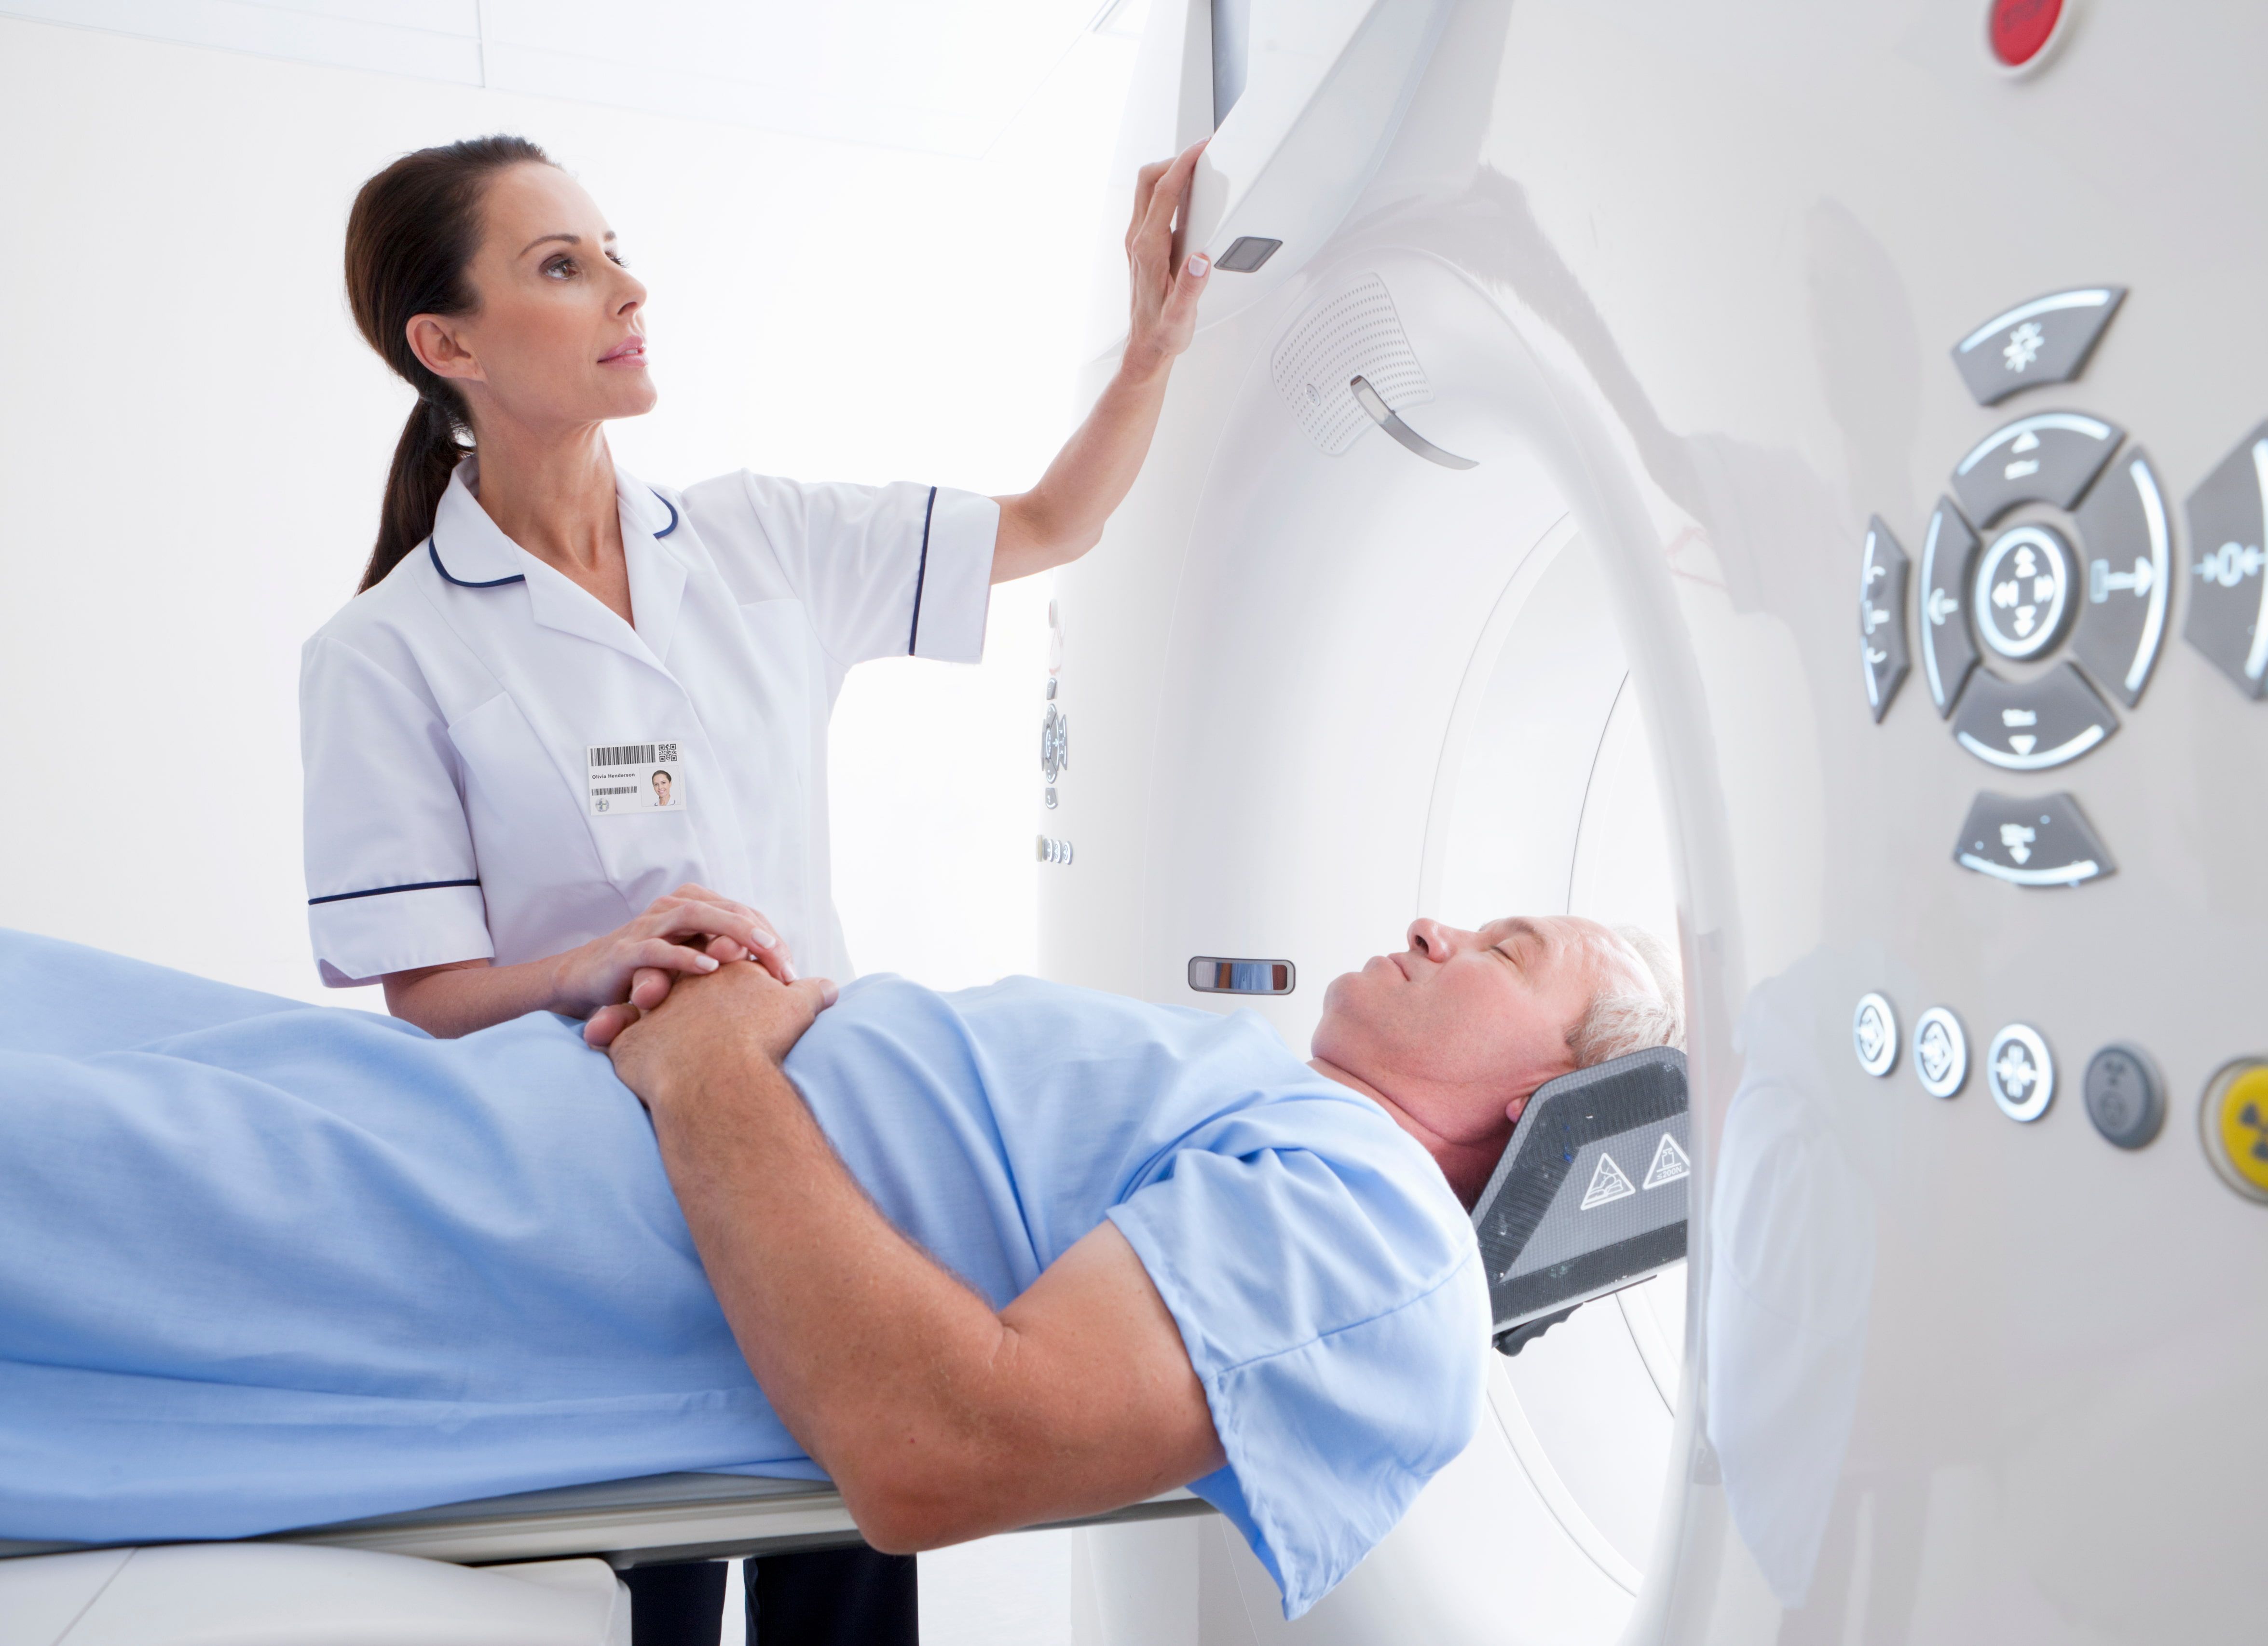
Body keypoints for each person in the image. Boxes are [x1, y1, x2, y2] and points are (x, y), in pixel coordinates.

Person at [299, 132, 1212, 1638]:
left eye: (610, 248)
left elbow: (1056, 522)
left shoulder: (757, 539)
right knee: (639, 1596)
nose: (625, 286)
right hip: (588, 1194)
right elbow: (428, 995)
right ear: (445, 343)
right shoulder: (386, 652)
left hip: (834, 1166)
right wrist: (599, 959)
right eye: (562, 266)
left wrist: (1152, 338)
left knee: (846, 1572)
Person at [0, 914, 1679, 1621]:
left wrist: (717, 1065)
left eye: (1506, 947)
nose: (1444, 925)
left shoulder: (1384, 1245)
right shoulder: (1291, 1116)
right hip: (506, 1121)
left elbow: (942, 1445)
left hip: (503, 1221)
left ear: (1549, 1099)